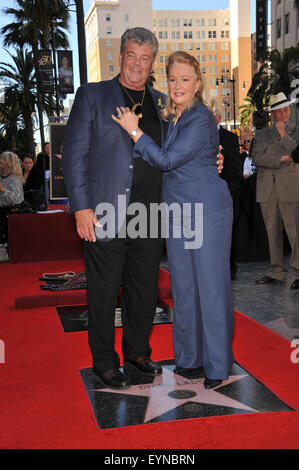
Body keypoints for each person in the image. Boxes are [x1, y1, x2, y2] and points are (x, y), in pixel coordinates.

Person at [62, 28, 224, 390]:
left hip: (152, 215)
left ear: (152, 63)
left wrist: (212, 157)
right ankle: (105, 361)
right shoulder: (91, 95)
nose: (137, 63)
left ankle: (137, 352)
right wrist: (80, 208)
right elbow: (74, 156)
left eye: (145, 57)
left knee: (143, 289)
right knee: (104, 292)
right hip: (103, 213)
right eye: (131, 55)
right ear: (121, 56)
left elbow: (184, 147)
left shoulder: (164, 103)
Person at [112, 51, 234, 389]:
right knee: (183, 287)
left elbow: (167, 160)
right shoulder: (173, 119)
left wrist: (135, 132)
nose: (177, 85)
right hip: (178, 214)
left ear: (197, 84)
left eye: (185, 79)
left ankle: (217, 364)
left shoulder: (200, 117)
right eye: (172, 79)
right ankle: (190, 359)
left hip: (207, 212)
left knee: (210, 287)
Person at [252, 92, 299, 289]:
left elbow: (296, 153)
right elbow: (257, 158)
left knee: (294, 232)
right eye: (278, 112)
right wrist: (281, 159)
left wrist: (282, 136)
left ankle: (297, 272)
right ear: (272, 114)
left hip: (290, 188)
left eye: (285, 110)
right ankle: (277, 270)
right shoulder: (261, 134)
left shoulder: (297, 131)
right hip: (267, 190)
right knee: (272, 231)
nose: (283, 115)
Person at [213, 104, 243, 279]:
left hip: (224, 195)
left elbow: (234, 170)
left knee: (227, 234)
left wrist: (227, 194)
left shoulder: (229, 138)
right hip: (204, 196)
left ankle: (229, 269)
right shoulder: (198, 136)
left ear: (218, 118)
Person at [0, 151, 24, 261]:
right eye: (1, 158)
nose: (1, 161)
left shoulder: (14, 179)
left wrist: (3, 189)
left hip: (10, 211)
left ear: (10, 163)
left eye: (4, 159)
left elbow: (17, 198)